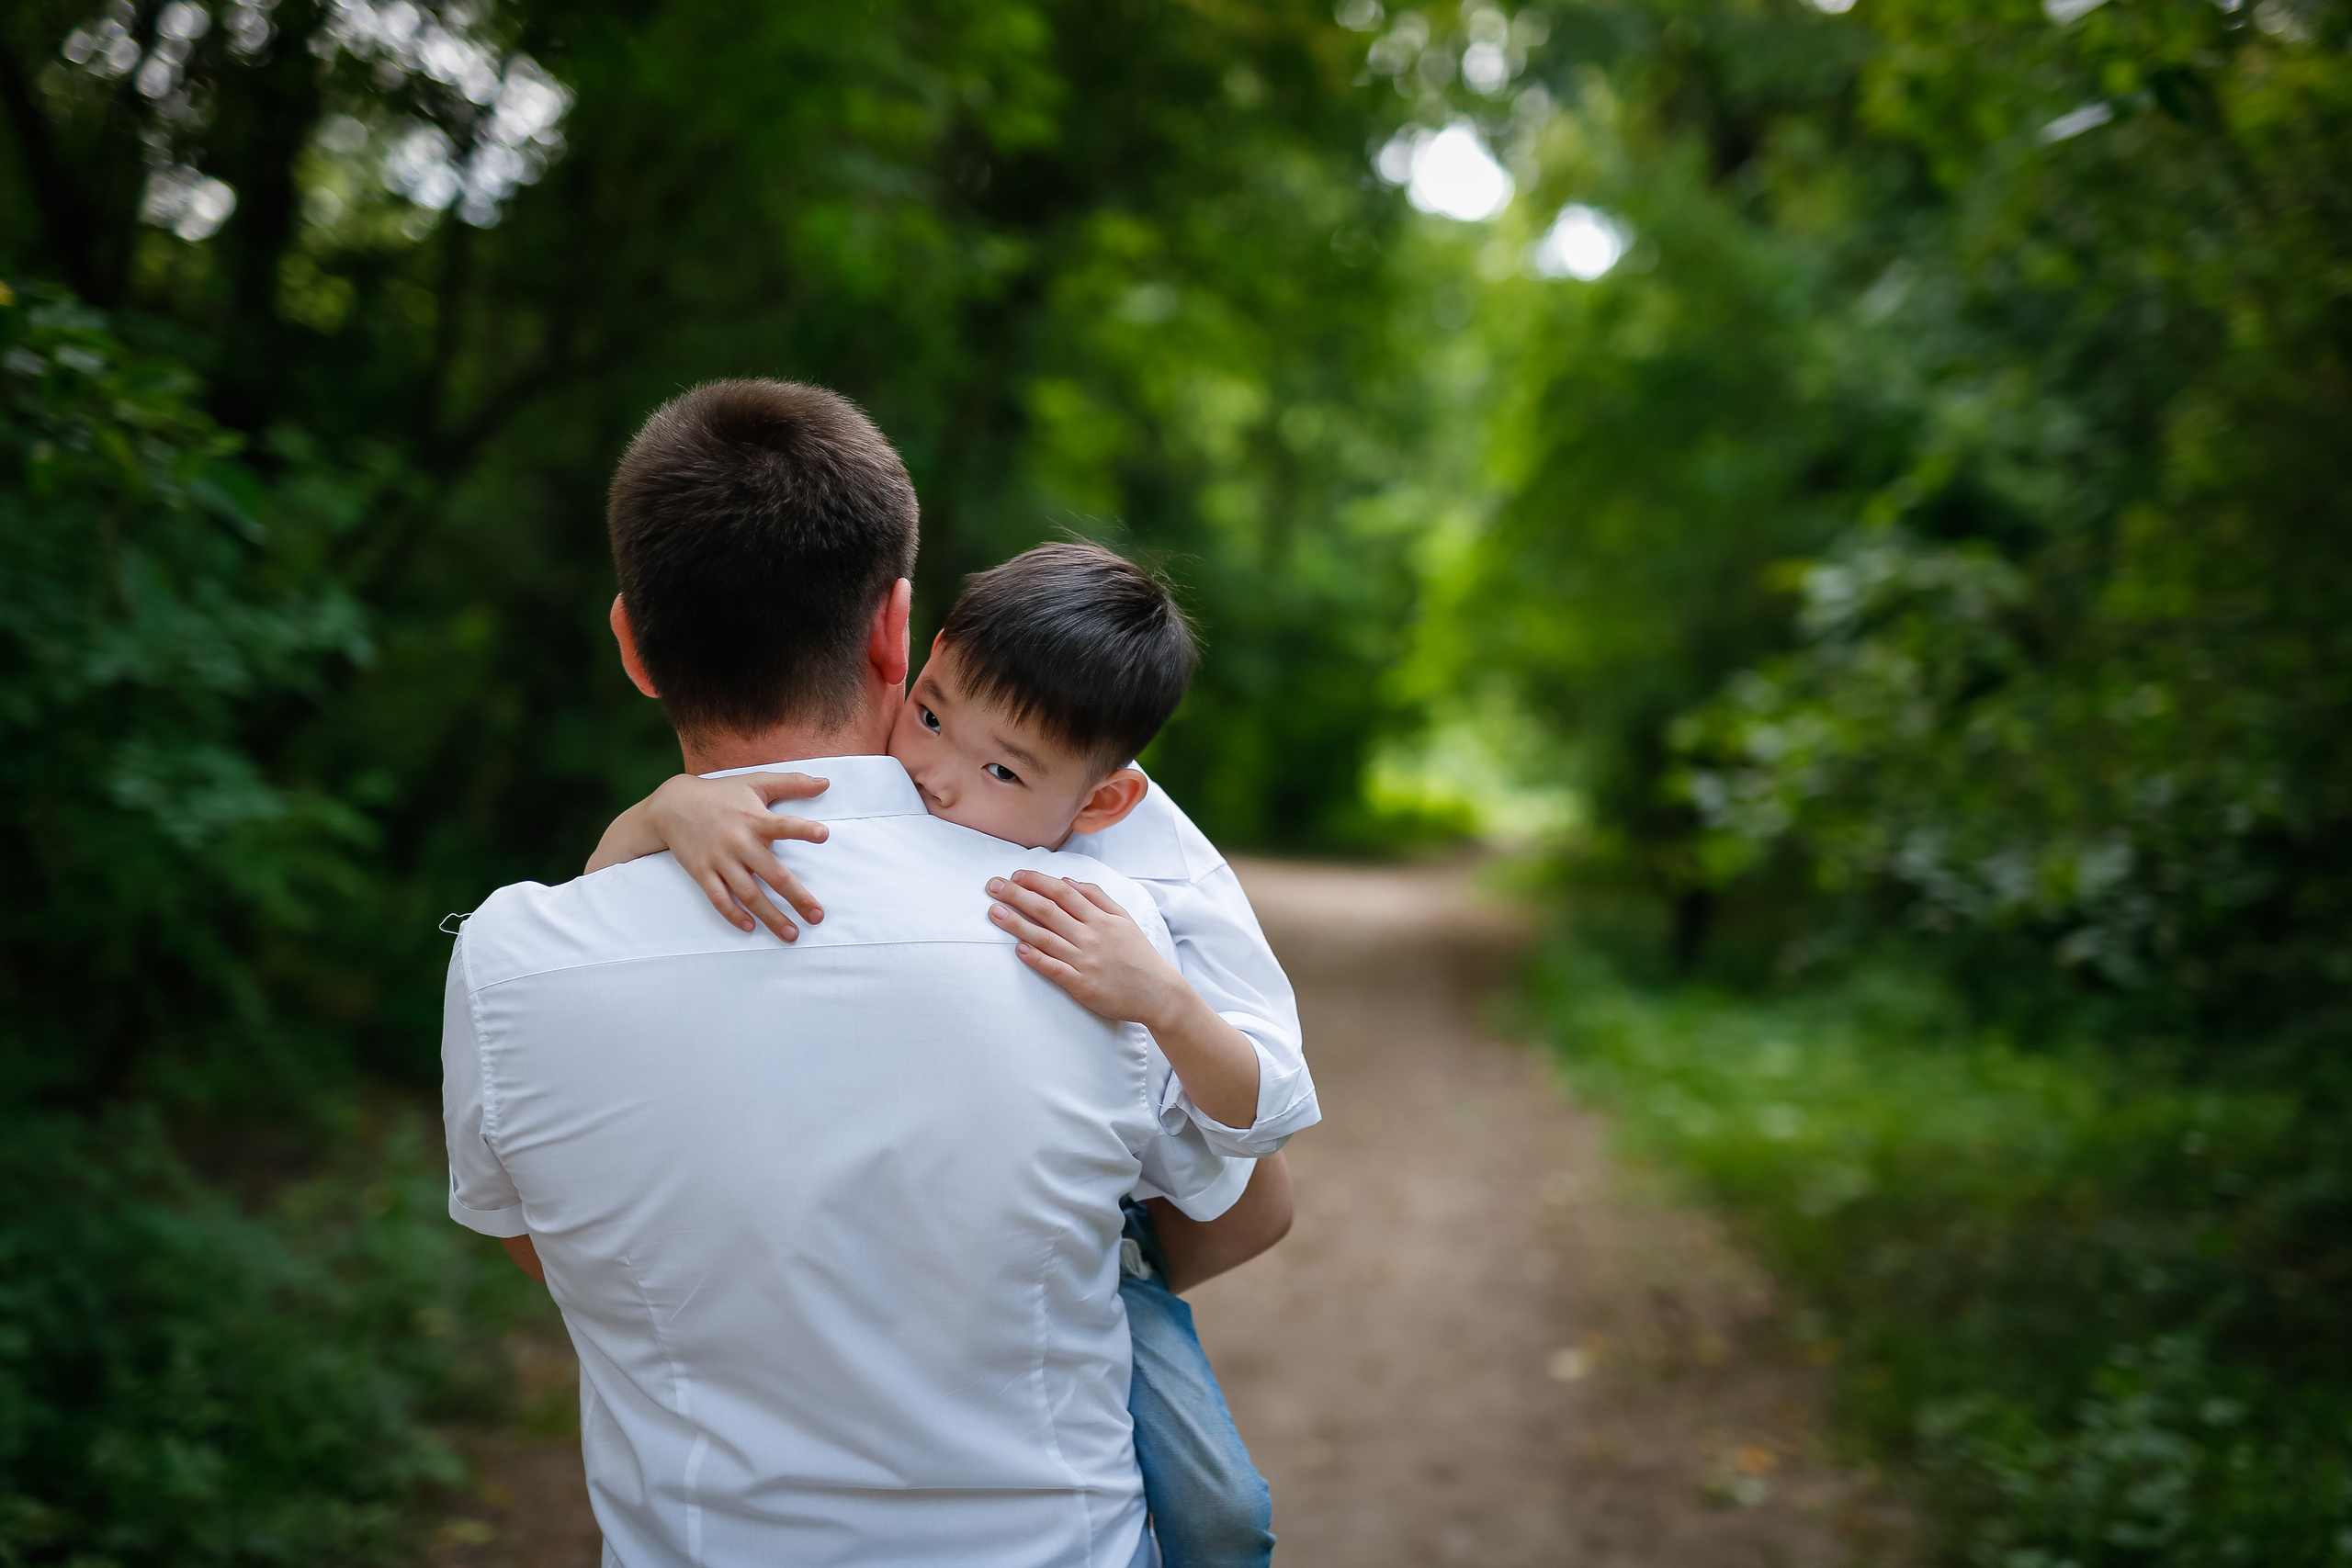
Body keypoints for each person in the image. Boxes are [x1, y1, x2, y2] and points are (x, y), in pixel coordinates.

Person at [441, 379, 1285, 1567]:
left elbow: (558, 1253)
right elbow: (1251, 1204)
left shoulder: (509, 965)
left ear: (631, 643)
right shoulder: (1092, 933)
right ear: (898, 630)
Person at [586, 543, 1320, 1567]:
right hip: (907, 1227)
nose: (931, 773)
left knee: (1224, 1512)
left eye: (1000, 771)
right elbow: (597, 924)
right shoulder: (870, 785)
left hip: (1105, 1241)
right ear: (918, 656)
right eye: (930, 716)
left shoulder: (1166, 880)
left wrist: (1162, 1000)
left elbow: (1273, 1104)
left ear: (1101, 803)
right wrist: (660, 811)